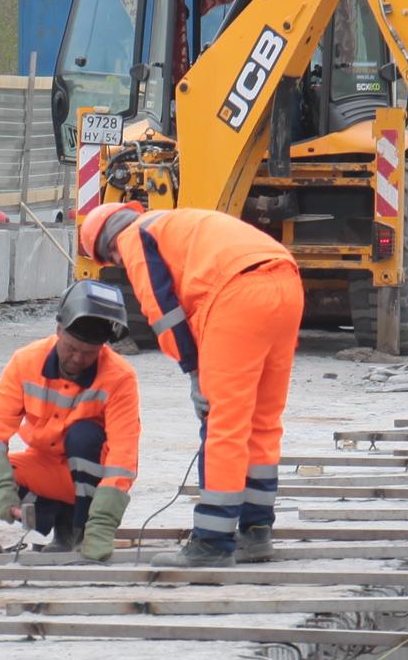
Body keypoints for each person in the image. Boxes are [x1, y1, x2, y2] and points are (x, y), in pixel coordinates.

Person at [80, 202, 303, 567]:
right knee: (262, 420)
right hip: (285, 282)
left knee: (223, 422)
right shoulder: (172, 223)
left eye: (114, 262)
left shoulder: (134, 238)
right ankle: (256, 532)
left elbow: (163, 311)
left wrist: (195, 371)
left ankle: (212, 543)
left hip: (238, 295)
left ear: (109, 247)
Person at [0, 281, 140, 559]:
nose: (78, 358)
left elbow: (123, 453)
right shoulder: (26, 361)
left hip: (90, 474)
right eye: (71, 348)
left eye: (89, 353)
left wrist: (104, 523)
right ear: (58, 330)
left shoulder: (120, 377)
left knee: (84, 435)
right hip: (45, 467)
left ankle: (84, 530)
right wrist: (1, 489)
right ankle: (62, 524)